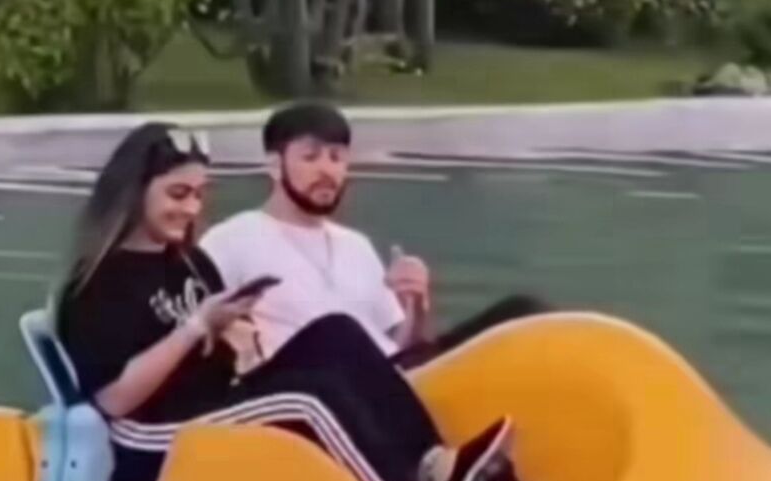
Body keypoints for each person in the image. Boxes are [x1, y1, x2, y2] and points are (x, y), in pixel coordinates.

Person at [54, 122, 532, 481]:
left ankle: (438, 468)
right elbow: (113, 400)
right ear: (135, 191)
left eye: (198, 194)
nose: (191, 208)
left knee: (336, 334)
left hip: (211, 404)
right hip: (145, 437)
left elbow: (215, 356)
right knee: (307, 398)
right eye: (177, 194)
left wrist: (231, 333)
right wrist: (195, 328)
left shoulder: (190, 263)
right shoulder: (98, 283)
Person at [199, 102, 549, 371]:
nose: (327, 170)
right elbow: (200, 332)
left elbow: (403, 344)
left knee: (526, 313)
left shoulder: (355, 245)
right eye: (311, 157)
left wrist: (416, 305)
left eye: (337, 158)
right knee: (336, 331)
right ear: (275, 165)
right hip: (320, 388)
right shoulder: (232, 239)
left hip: (395, 375)